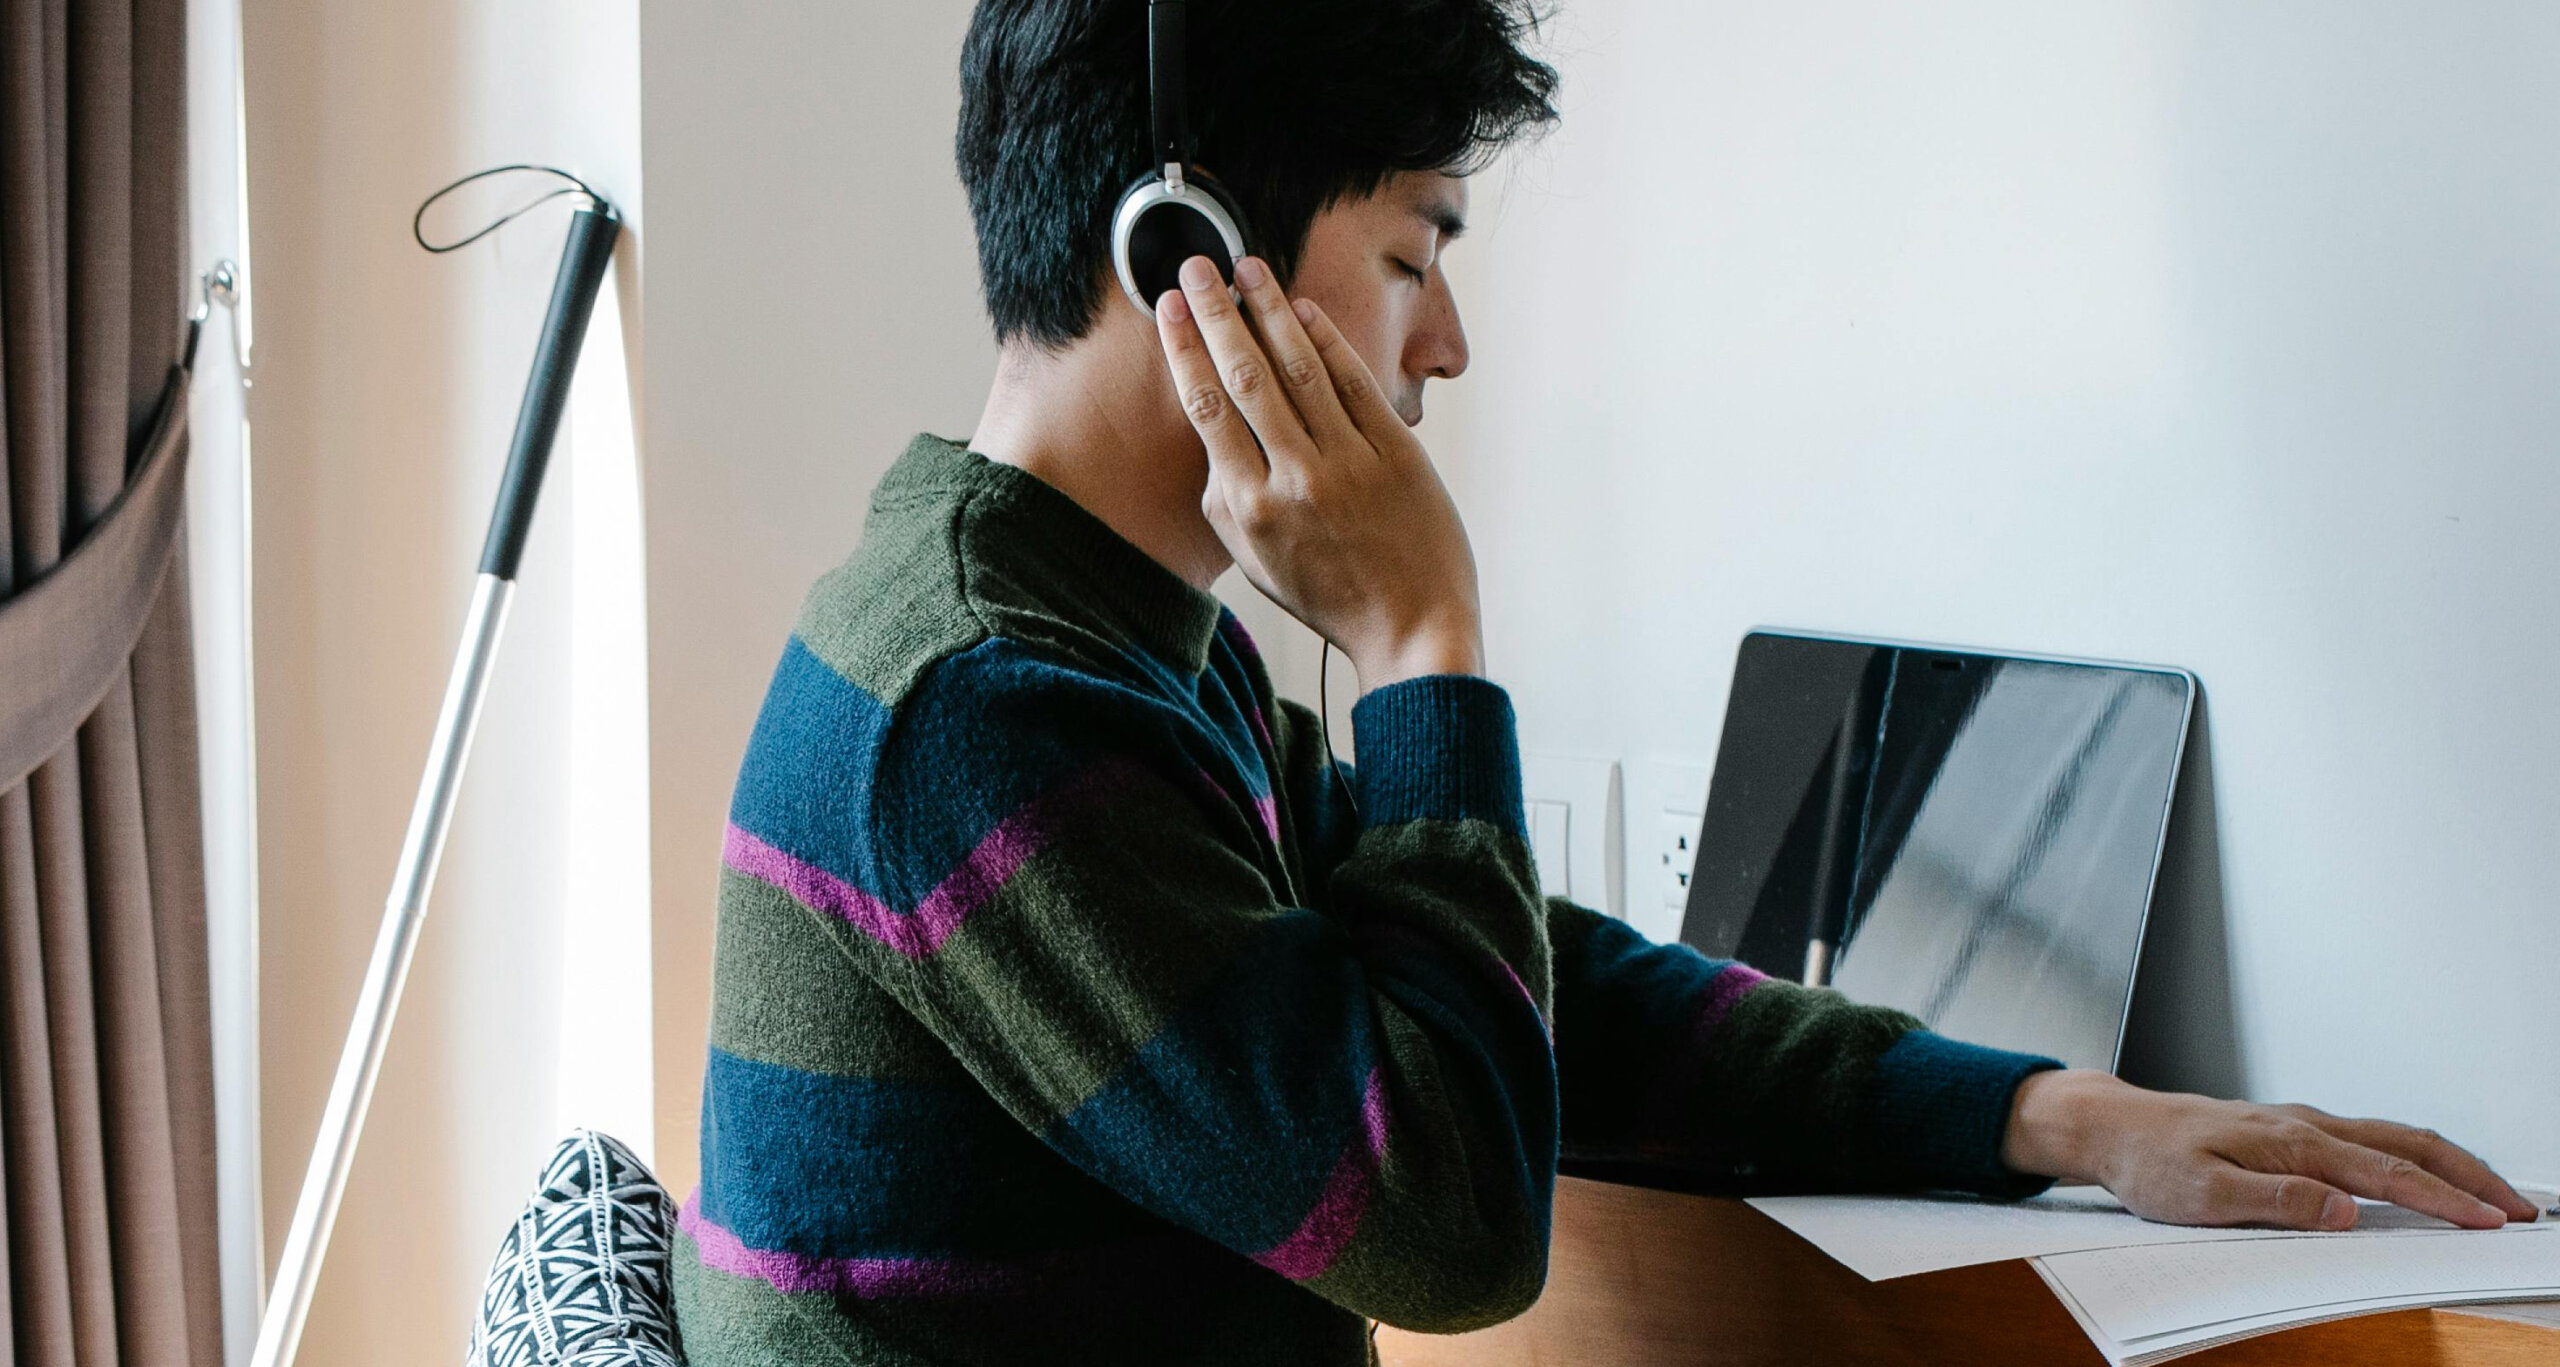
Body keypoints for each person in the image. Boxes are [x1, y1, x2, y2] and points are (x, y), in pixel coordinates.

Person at [669, 1, 2538, 1362]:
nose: (1451, 342)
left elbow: (1535, 992)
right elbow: (1454, 1223)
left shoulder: (1091, 644)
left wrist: (2063, 1117)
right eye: (1415, 253)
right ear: (1192, 255)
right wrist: (1422, 647)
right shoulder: (985, 709)